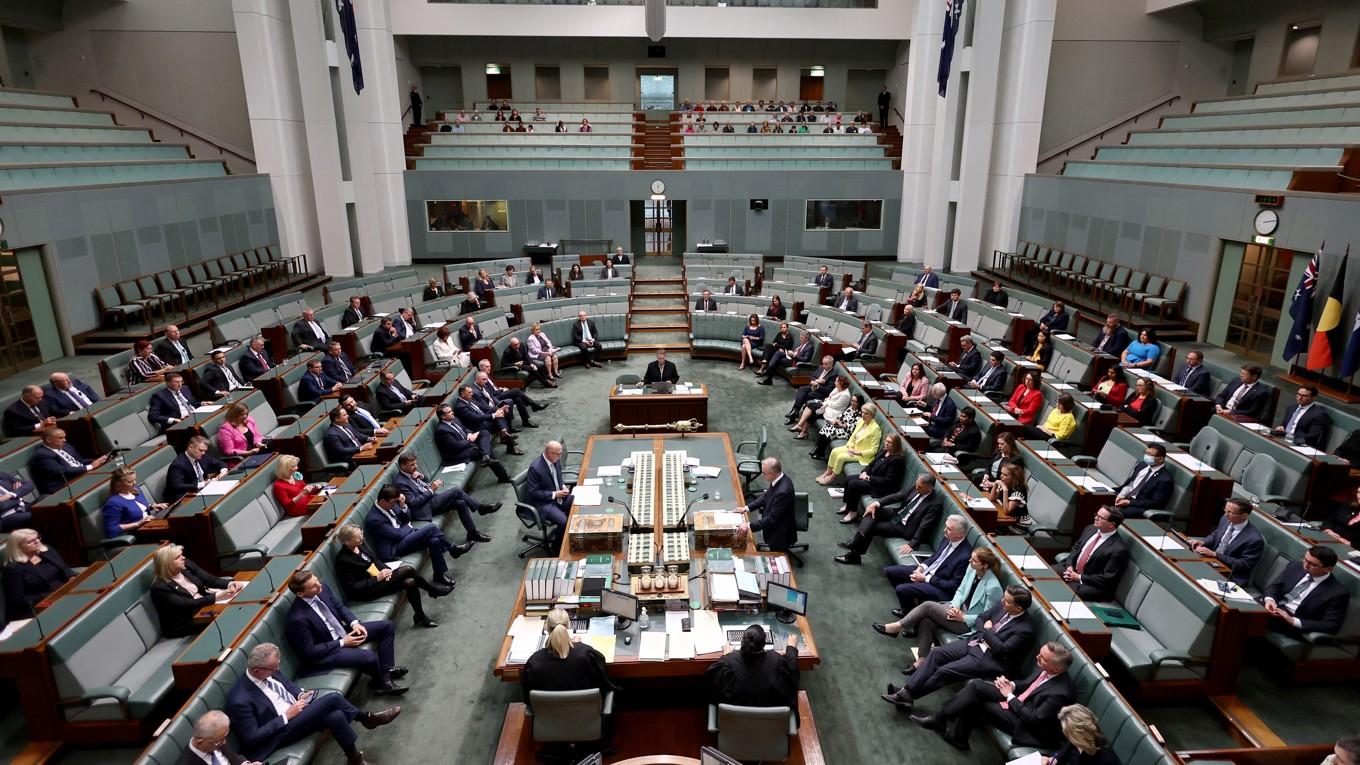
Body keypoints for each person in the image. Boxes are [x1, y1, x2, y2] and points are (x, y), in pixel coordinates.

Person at [226, 642, 399, 765]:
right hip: (279, 733)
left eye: (277, 665)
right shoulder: (239, 700)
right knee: (333, 699)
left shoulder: (267, 669)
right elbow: (251, 739)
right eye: (274, 668)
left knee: (335, 715)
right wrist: (286, 716)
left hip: (297, 713)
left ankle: (354, 759)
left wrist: (300, 693)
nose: (277, 670)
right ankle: (367, 718)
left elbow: (286, 683)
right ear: (257, 671)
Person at [881, 585, 1036, 711]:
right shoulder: (1004, 606)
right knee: (936, 654)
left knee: (944, 671)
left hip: (988, 660)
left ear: (1019, 607)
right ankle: (907, 692)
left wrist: (988, 632)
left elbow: (1001, 650)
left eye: (1007, 601)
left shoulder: (1025, 630)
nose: (1002, 602)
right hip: (974, 643)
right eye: (1004, 598)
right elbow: (981, 619)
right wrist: (986, 634)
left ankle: (907, 695)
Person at [912, 641, 1076, 752]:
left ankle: (956, 735)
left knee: (980, 702)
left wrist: (1010, 696)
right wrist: (1010, 684)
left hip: (1027, 726)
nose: (1037, 658)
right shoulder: (1046, 668)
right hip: (1018, 701)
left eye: (1042, 659)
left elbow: (1034, 719)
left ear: (1056, 669)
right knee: (975, 686)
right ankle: (942, 721)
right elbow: (1027, 684)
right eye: (1039, 654)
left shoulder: (1060, 693)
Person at [285, 568, 410, 696]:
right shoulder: (296, 619)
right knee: (369, 657)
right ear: (300, 594)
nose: (319, 585)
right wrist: (342, 642)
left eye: (317, 580)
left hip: (342, 632)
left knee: (387, 627)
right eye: (313, 586)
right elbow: (310, 652)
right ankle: (381, 682)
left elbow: (339, 607)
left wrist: (354, 623)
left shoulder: (322, 589)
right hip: (326, 650)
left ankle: (385, 671)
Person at [874, 549, 1004, 667]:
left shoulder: (994, 587)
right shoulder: (971, 569)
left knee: (928, 606)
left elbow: (987, 617)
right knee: (927, 621)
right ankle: (922, 660)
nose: (969, 561)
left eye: (974, 560)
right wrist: (955, 606)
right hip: (957, 610)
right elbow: (960, 591)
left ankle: (897, 627)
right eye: (971, 557)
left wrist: (963, 617)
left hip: (969, 625)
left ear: (984, 565)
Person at [336, 524, 447, 629]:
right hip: (366, 591)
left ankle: (420, 616)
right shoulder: (343, 560)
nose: (362, 538)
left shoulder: (360, 544)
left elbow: (375, 560)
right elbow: (352, 588)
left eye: (361, 534)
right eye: (358, 537)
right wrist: (377, 578)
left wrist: (387, 570)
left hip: (377, 578)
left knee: (410, 582)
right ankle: (432, 590)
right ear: (347, 542)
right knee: (408, 570)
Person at [835, 473, 941, 565]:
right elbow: (898, 495)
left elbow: (925, 525)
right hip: (897, 514)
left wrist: (913, 544)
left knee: (872, 527)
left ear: (930, 488)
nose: (916, 488)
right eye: (916, 485)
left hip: (904, 527)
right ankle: (856, 542)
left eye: (920, 487)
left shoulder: (935, 504)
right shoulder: (918, 485)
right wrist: (877, 503)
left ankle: (854, 555)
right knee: (872, 510)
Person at [523, 609, 619, 708]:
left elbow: (528, 699)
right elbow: (602, 674)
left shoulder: (534, 662)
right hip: (585, 715)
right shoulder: (585, 654)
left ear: (546, 628)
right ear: (568, 626)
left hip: (549, 719)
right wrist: (579, 646)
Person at [392, 452, 498, 540]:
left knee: (460, 503)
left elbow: (424, 481)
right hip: (423, 508)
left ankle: (472, 533)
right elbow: (414, 502)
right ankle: (480, 508)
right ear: (402, 466)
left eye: (416, 464)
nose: (416, 467)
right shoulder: (400, 482)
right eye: (412, 465)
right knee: (456, 490)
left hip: (431, 500)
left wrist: (422, 476)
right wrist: (431, 490)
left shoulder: (411, 470)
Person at [151, 543, 244, 638]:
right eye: (178, 557)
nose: (183, 558)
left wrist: (230, 584)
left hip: (204, 607)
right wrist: (217, 596)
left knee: (239, 608)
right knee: (228, 618)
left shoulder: (187, 565)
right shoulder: (160, 588)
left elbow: (210, 580)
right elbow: (187, 604)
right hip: (186, 622)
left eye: (181, 554)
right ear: (167, 564)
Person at [884, 514, 973, 613]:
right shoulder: (948, 537)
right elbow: (936, 557)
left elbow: (953, 586)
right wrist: (921, 568)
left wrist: (925, 579)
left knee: (901, 589)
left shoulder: (965, 556)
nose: (944, 530)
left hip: (941, 588)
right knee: (890, 571)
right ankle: (911, 606)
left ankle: (908, 613)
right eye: (945, 526)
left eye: (949, 529)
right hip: (928, 572)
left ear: (960, 534)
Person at [1262, 545, 1348, 637]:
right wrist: (1270, 600)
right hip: (1274, 608)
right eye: (1305, 559)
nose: (1306, 565)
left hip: (1292, 622)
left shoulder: (1338, 592)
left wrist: (1292, 620)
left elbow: (1330, 625)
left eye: (1313, 565)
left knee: (1252, 618)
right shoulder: (1295, 566)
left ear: (1329, 569)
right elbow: (1274, 587)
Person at [707, 625, 800, 709]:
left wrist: (726, 656)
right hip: (770, 722)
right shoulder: (776, 660)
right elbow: (791, 668)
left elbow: (711, 680)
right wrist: (791, 648)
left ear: (742, 642)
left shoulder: (729, 661)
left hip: (735, 720)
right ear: (764, 644)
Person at [2, 529, 75, 624]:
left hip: (64, 594)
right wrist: (50, 596)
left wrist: (72, 577)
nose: (37, 541)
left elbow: (65, 568)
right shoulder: (13, 569)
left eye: (37, 538)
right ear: (18, 547)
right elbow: (17, 601)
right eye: (30, 542)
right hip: (39, 607)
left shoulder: (47, 550)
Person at [1189, 499, 1265, 588]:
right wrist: (1203, 541)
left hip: (1230, 575)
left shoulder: (1254, 539)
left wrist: (1215, 555)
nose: (1226, 514)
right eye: (1225, 510)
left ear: (1244, 515)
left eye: (1231, 512)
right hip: (1211, 562)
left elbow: (1244, 565)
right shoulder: (1225, 519)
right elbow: (1215, 535)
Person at [1059, 507, 1128, 600]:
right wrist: (1069, 566)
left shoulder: (1118, 549)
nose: (1096, 518)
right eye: (1096, 515)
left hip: (1093, 585)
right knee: (1046, 573)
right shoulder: (1090, 529)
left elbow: (1107, 579)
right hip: (1072, 570)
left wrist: (1078, 577)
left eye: (1101, 517)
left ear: (1111, 524)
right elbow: (1076, 548)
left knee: (1062, 592)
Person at [434, 404, 512, 482]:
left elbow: (464, 428)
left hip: (466, 443)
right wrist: (469, 440)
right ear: (443, 417)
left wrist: (470, 434)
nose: (452, 412)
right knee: (484, 450)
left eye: (451, 410)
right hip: (457, 454)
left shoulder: (454, 419)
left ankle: (486, 457)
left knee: (484, 432)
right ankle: (502, 476)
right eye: (449, 412)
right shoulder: (442, 430)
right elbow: (455, 446)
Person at [737, 458, 797, 552]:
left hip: (780, 534)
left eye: (764, 473)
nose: (762, 475)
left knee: (777, 555)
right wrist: (747, 508)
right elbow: (766, 496)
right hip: (773, 527)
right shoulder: (779, 479)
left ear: (772, 473)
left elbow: (772, 519)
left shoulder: (783, 491)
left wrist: (748, 526)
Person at [816, 402, 881, 485]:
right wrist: (850, 447)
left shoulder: (875, 429)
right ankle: (827, 473)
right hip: (853, 447)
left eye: (866, 413)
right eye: (862, 412)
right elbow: (853, 436)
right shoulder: (861, 421)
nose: (863, 415)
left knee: (840, 457)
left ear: (872, 415)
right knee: (835, 451)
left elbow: (873, 450)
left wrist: (857, 452)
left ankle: (832, 477)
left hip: (862, 455)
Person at [29, 428, 108, 495]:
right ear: (48, 439)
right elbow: (62, 472)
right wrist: (90, 466)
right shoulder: (42, 456)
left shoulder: (66, 446)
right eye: (60, 438)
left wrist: (96, 461)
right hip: (63, 486)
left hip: (80, 476)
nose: (64, 440)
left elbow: (79, 462)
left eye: (64, 437)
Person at [527, 441, 574, 553]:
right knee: (564, 521)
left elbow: (558, 477)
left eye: (560, 453)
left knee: (578, 502)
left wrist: (563, 487)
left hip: (559, 495)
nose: (560, 457)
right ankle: (557, 549)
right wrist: (554, 494)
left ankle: (572, 535)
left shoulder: (555, 459)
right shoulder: (535, 468)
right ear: (549, 453)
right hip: (544, 503)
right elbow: (533, 493)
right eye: (558, 454)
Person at [102, 465, 167, 538]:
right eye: (130, 482)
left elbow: (137, 508)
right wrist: (137, 524)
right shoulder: (113, 503)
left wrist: (152, 506)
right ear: (118, 484)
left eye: (135, 479)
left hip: (150, 524)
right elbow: (111, 530)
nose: (135, 483)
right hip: (136, 533)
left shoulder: (136, 490)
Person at [1109, 443, 1172, 518]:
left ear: (1161, 459)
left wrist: (1130, 502)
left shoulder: (1165, 480)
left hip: (1139, 506)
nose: (1146, 456)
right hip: (1125, 496)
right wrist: (1121, 495)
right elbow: (1131, 485)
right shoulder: (1142, 465)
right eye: (1146, 453)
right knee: (1098, 498)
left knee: (1111, 513)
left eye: (1150, 454)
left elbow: (1156, 503)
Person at [178, 710, 259, 765]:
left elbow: (232, 756)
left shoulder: (216, 737)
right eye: (219, 741)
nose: (224, 742)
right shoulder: (187, 762)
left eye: (224, 737)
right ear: (200, 742)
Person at [1047, 704, 1119, 765]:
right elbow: (1063, 753)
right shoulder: (1077, 739)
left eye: (1070, 736)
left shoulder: (1106, 760)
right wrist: (1053, 760)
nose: (1070, 739)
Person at [166, 435, 229, 503]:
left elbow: (219, 463)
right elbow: (177, 486)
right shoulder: (178, 465)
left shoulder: (202, 456)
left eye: (205, 451)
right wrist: (204, 484)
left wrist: (223, 471)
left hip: (204, 490)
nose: (203, 453)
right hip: (186, 497)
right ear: (191, 447)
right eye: (201, 450)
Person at [793, 375, 849, 440]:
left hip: (833, 412)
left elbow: (835, 405)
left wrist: (825, 402)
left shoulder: (845, 395)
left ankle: (801, 428)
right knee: (811, 409)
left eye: (836, 381)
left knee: (812, 408)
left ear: (841, 383)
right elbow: (830, 396)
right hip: (827, 407)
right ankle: (802, 431)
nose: (835, 382)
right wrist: (826, 400)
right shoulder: (837, 388)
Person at [811, 393, 863, 462]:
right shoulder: (850, 408)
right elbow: (841, 416)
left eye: (855, 402)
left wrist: (841, 424)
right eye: (852, 401)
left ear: (859, 403)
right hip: (840, 427)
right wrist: (837, 420)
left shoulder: (859, 414)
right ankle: (818, 450)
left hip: (847, 432)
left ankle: (819, 451)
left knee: (829, 432)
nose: (852, 403)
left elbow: (853, 428)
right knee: (826, 427)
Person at [786, 355, 837, 423]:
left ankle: (793, 414)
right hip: (813, 387)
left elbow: (828, 390)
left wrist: (817, 385)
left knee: (806, 395)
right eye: (823, 363)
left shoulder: (833, 374)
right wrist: (816, 381)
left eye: (826, 364)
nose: (823, 366)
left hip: (821, 393)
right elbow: (812, 376)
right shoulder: (820, 367)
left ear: (831, 364)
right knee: (802, 389)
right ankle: (795, 411)